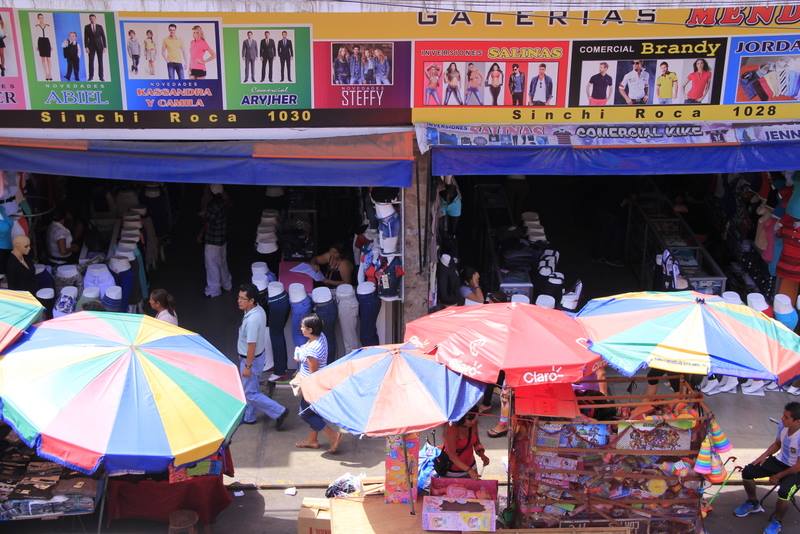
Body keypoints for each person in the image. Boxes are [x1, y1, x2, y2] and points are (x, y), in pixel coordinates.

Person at [735, 402, 800, 534]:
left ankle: (777, 521)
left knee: (784, 492)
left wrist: (778, 476)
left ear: (797, 421)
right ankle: (753, 503)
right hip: (780, 461)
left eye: (786, 417)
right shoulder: (783, 426)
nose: (782, 418)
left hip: (796, 470)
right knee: (748, 471)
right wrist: (761, 457)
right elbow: (777, 444)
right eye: (783, 415)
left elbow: (798, 467)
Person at [237, 283, 288, 428]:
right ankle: (249, 416)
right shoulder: (258, 310)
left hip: (250, 359)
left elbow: (251, 345)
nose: (239, 301)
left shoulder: (252, 320)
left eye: (242, 299)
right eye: (239, 297)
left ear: (252, 300)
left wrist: (248, 366)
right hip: (258, 357)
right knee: (252, 388)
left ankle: (279, 411)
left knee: (250, 393)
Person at [295, 314, 342, 453]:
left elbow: (313, 372)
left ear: (310, 330)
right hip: (319, 381)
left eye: (303, 327)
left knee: (305, 413)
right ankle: (312, 440)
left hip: (312, 385)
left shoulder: (312, 350)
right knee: (313, 411)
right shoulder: (321, 336)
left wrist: (303, 383)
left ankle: (333, 435)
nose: (301, 328)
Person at [198, 184, 232, 298]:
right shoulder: (224, 202)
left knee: (212, 265)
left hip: (212, 240)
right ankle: (227, 284)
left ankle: (214, 290)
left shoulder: (213, 205)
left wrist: (200, 234)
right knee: (222, 262)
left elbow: (208, 222)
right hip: (222, 239)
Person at [442, 407, 490, 479]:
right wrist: (469, 470)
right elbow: (452, 456)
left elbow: (477, 442)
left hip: (471, 465)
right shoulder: (451, 429)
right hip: (454, 471)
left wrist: (482, 455)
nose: (473, 421)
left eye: (475, 418)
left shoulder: (473, 423)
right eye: (470, 419)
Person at [83, 13, 106, 82]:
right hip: (91, 46)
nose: (92, 20)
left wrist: (105, 47)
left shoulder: (100, 26)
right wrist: (86, 47)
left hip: (100, 46)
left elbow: (103, 37)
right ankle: (90, 77)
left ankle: (101, 77)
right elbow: (85, 38)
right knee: (91, 62)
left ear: (95, 19)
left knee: (100, 62)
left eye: (93, 18)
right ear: (89, 19)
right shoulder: (86, 27)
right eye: (91, 19)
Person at [34, 13, 52, 81]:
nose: (41, 19)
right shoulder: (36, 26)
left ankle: (50, 73)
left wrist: (51, 45)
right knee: (43, 59)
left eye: (42, 17)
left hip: (47, 41)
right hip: (40, 42)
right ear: (38, 18)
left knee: (48, 58)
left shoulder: (47, 26)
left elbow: (50, 35)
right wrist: (36, 46)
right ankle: (46, 74)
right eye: (40, 18)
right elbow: (36, 36)